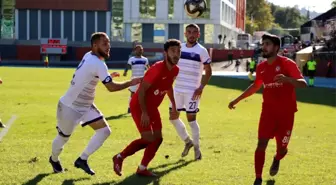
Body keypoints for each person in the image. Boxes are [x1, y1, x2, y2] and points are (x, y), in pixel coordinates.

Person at [49, 32, 142, 175]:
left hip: (85, 106)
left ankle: (82, 159)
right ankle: (54, 159)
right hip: (70, 107)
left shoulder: (90, 56)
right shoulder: (98, 63)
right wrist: (131, 82)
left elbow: (88, 75)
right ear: (94, 45)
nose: (108, 46)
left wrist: (108, 76)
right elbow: (111, 87)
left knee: (104, 131)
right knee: (63, 138)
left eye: (108, 43)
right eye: (104, 43)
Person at [228, 34, 307, 185]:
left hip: (286, 114)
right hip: (268, 114)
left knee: (282, 149)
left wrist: (287, 79)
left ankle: (277, 158)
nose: (263, 46)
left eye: (267, 44)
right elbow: (255, 86)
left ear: (276, 47)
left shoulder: (287, 63)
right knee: (261, 144)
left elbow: (303, 83)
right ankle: (258, 178)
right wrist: (236, 100)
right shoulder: (261, 67)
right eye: (263, 44)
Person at [112, 39, 181, 177]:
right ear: (165, 53)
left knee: (158, 138)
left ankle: (142, 168)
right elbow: (142, 90)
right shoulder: (157, 68)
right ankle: (120, 157)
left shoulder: (176, 70)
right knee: (148, 138)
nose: (176, 54)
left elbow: (168, 87)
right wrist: (144, 112)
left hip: (152, 107)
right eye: (173, 51)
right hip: (139, 105)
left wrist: (174, 105)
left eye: (178, 51)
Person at [169, 24, 212, 160]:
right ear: (185, 34)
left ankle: (197, 150)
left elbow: (208, 70)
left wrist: (201, 87)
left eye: (194, 32)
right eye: (189, 32)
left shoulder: (202, 51)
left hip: (192, 91)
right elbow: (172, 65)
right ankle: (188, 142)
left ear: (198, 34)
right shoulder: (178, 48)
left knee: (191, 120)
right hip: (177, 89)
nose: (192, 34)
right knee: (173, 118)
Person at [123, 45, 150, 113]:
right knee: (133, 93)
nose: (140, 51)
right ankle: (130, 108)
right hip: (134, 79)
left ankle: (141, 108)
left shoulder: (145, 59)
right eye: (138, 49)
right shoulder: (132, 59)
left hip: (142, 79)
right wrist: (125, 72)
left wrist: (150, 74)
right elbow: (128, 66)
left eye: (141, 49)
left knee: (143, 94)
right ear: (135, 51)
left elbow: (148, 68)